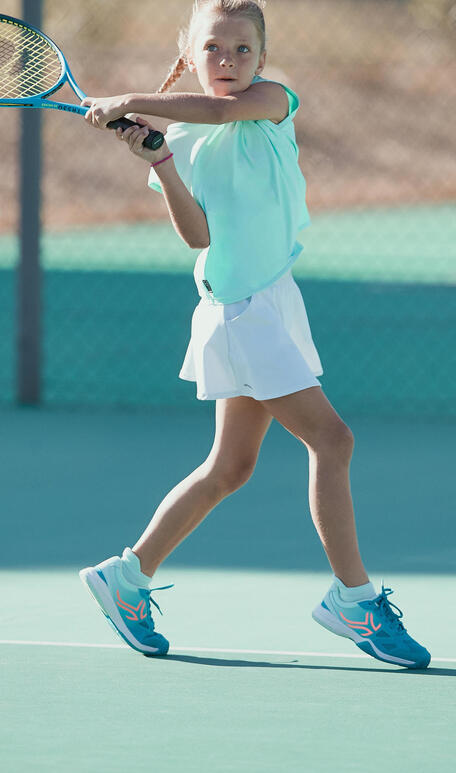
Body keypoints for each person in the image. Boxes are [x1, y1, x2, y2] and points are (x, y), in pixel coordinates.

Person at [78, 0, 430, 669]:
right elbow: (197, 235)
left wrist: (132, 99)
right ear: (189, 50)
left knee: (229, 468)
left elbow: (212, 111)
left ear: (262, 58)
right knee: (333, 439)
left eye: (243, 50)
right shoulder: (178, 135)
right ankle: (353, 600)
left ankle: (126, 578)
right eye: (214, 48)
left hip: (272, 300)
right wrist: (159, 161)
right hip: (240, 311)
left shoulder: (271, 100)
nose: (230, 63)